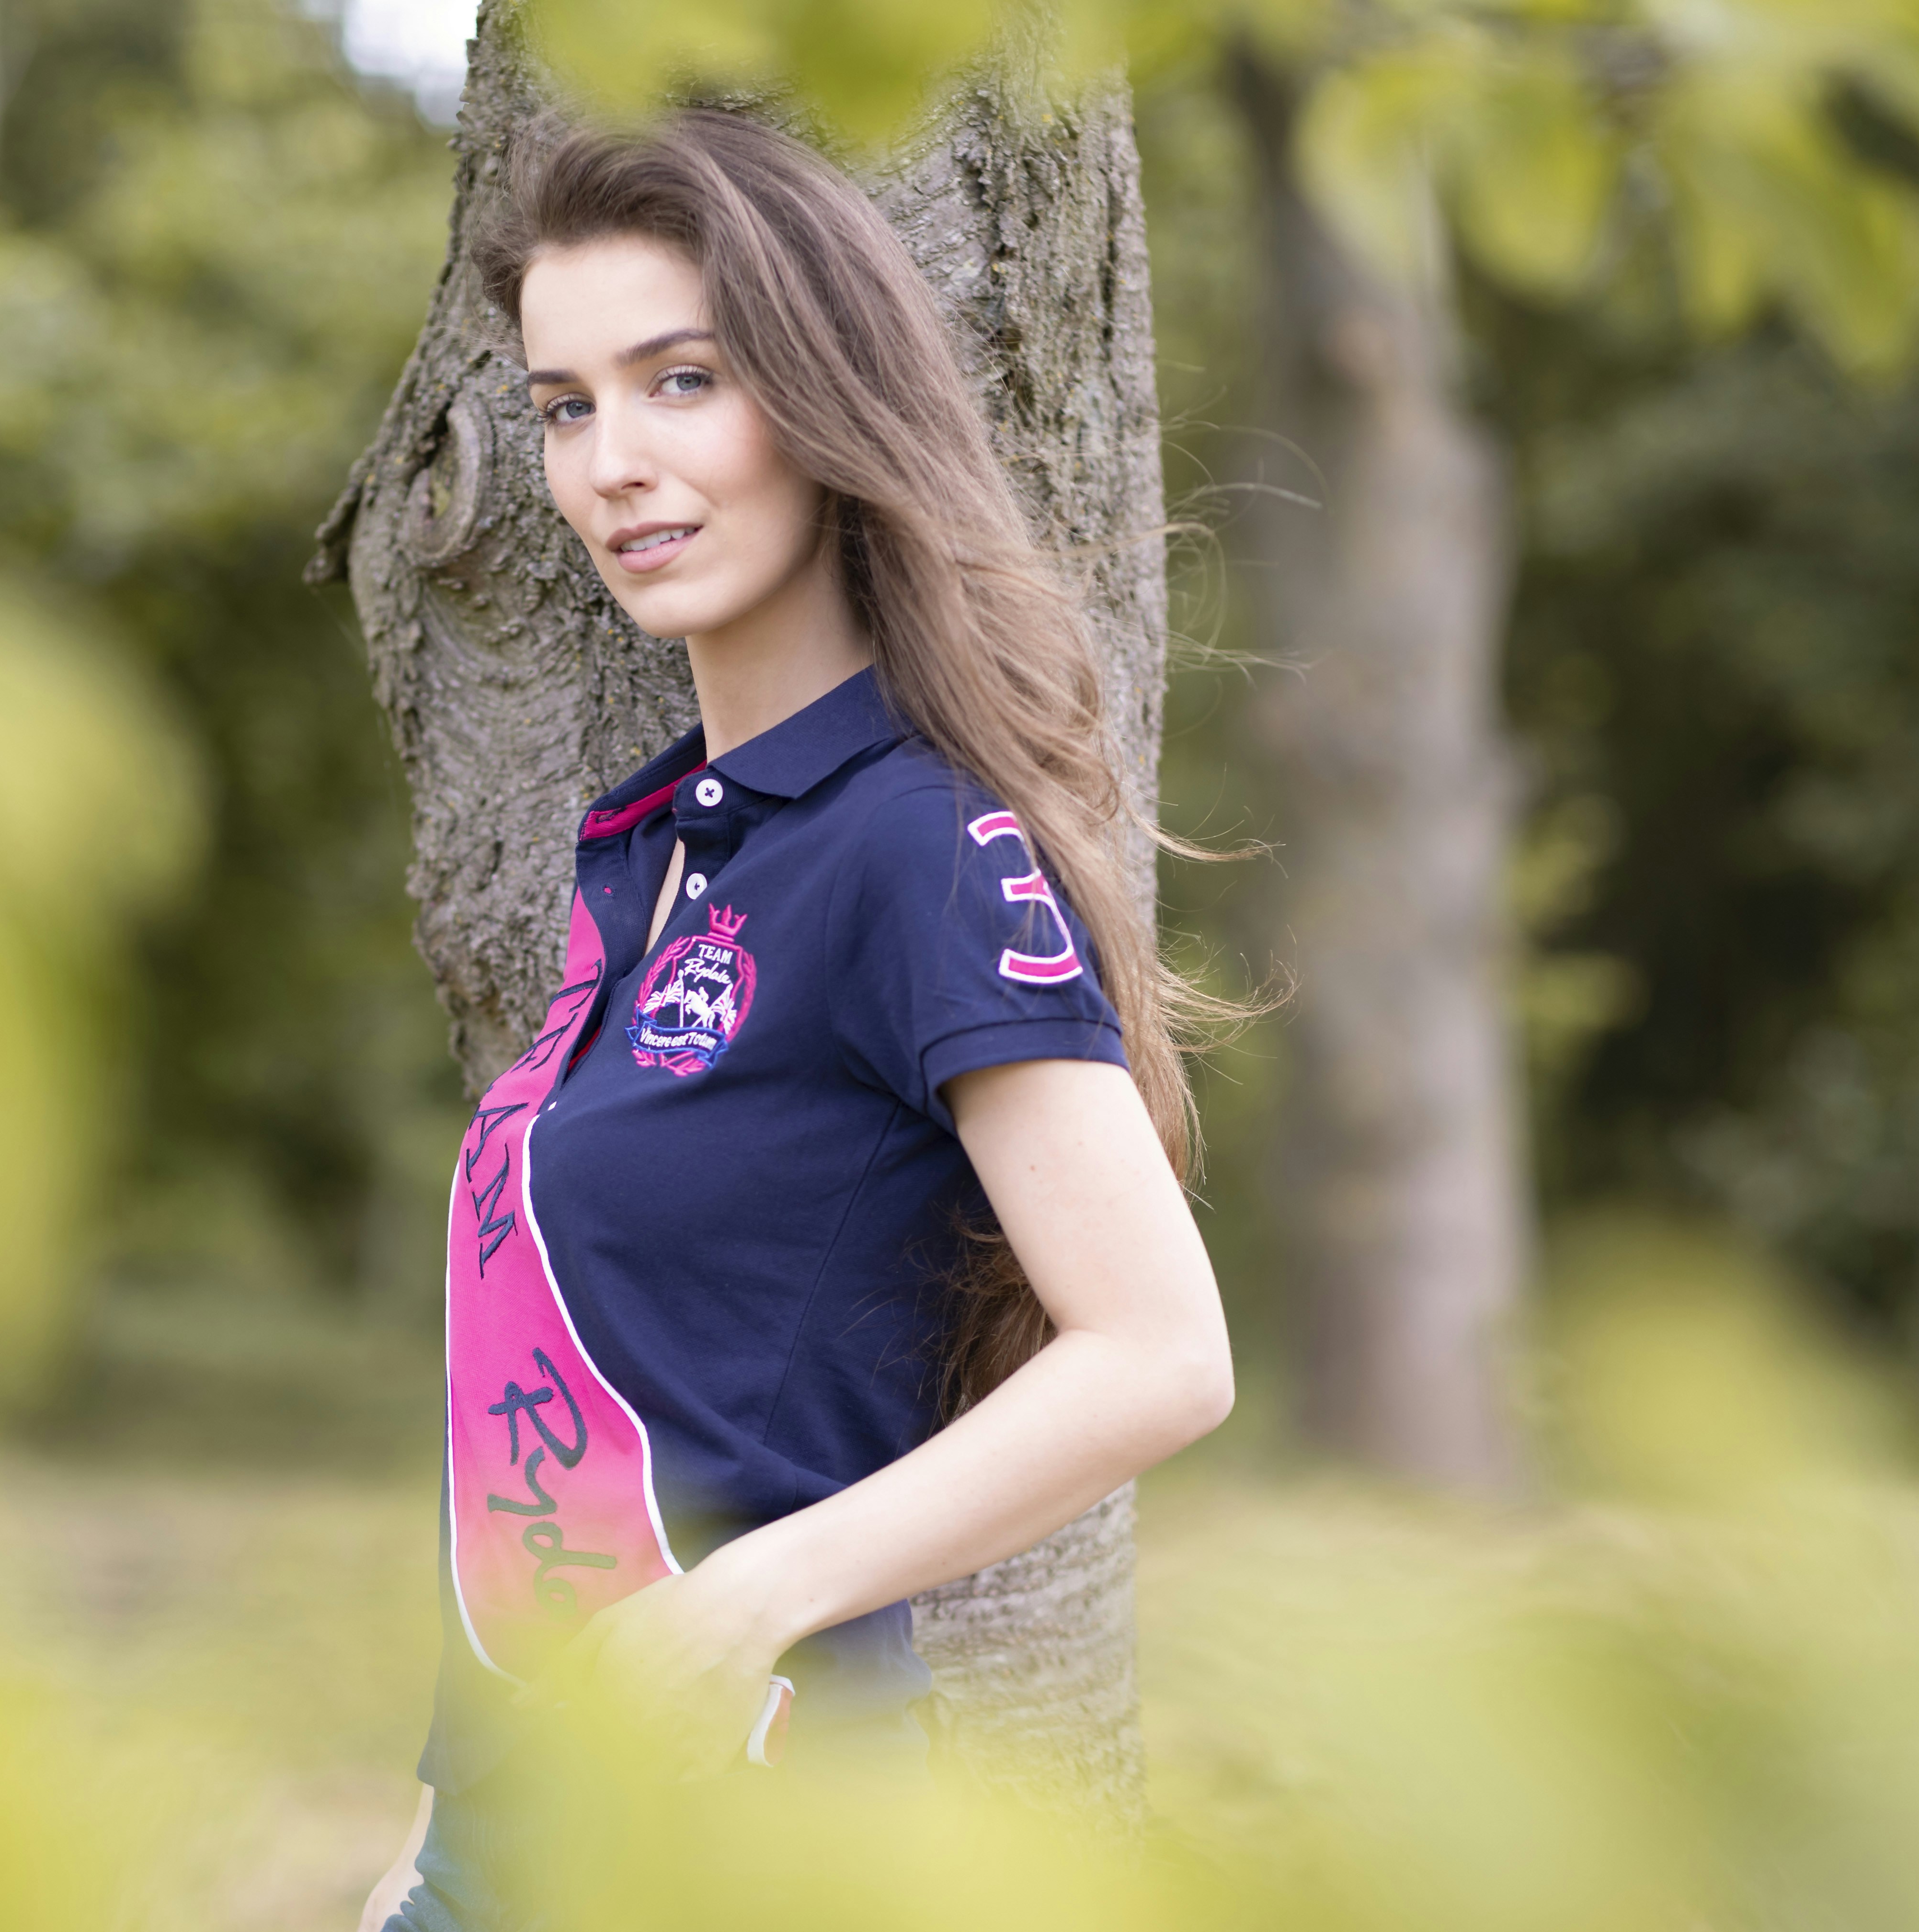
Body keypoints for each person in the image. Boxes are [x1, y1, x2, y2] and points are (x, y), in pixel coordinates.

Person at [359, 109, 1234, 1932]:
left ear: (822, 398)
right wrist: (436, 1854)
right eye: (564, 405)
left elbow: (1160, 1351)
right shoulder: (662, 850)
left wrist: (749, 1600)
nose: (611, 463)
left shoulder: (911, 845)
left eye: (680, 380)